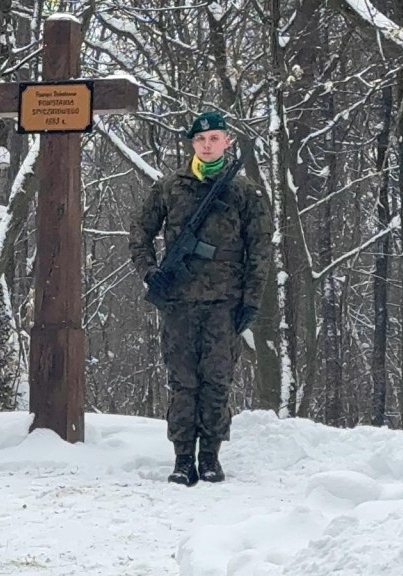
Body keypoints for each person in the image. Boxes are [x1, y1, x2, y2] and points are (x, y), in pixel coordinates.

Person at [129, 111, 271, 486]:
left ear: (226, 142)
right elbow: (139, 233)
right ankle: (182, 459)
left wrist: (251, 301)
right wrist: (150, 272)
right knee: (182, 382)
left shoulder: (244, 192)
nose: (207, 145)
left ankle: (209, 457)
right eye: (200, 140)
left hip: (225, 303)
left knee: (216, 382)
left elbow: (259, 251)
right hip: (178, 302)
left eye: (214, 139)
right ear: (192, 144)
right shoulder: (169, 187)